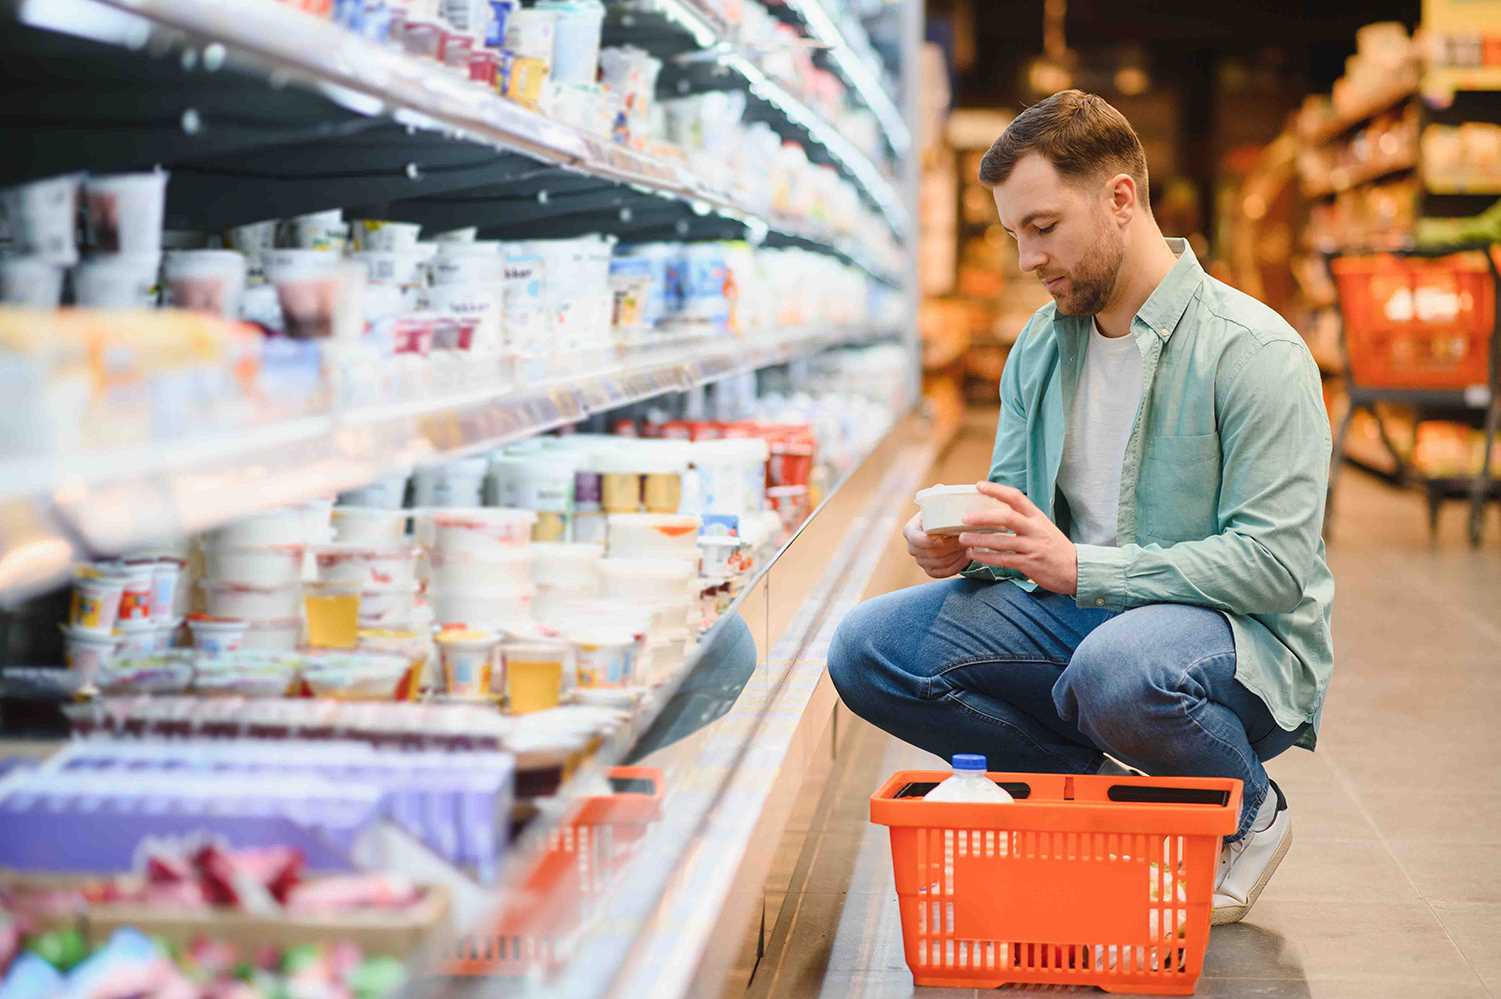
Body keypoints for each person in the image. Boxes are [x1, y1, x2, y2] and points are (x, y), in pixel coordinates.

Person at [828, 90, 1333, 925]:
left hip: (1232, 636)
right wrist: (961, 541)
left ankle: (1249, 808)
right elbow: (1015, 515)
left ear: (1119, 198)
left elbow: (1275, 567)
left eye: (1043, 226)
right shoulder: (1039, 344)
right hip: (1081, 611)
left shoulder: (1254, 352)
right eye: (1013, 233)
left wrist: (1079, 566)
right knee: (866, 649)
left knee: (1120, 670)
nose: (1026, 258)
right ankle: (1109, 805)